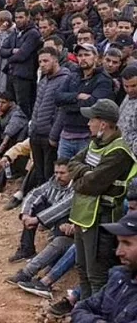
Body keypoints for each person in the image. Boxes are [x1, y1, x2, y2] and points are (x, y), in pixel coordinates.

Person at [68, 99, 137, 300]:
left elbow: (92, 184)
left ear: (103, 125)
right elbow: (73, 162)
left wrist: (79, 180)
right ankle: (83, 311)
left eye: (92, 120)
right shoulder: (95, 143)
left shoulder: (119, 152)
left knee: (96, 275)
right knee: (82, 269)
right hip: (83, 214)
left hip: (101, 218)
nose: (88, 124)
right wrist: (85, 174)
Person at [6, 159, 74, 278]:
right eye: (56, 172)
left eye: (62, 173)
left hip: (67, 221)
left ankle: (52, 263)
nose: (58, 176)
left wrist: (37, 219)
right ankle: (26, 249)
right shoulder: (53, 182)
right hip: (50, 217)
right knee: (35, 206)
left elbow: (63, 207)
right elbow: (35, 193)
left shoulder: (76, 187)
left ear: (72, 172)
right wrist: (25, 214)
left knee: (61, 226)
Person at [71, 211, 137, 322]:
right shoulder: (119, 277)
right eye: (118, 243)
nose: (118, 252)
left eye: (127, 243)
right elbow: (80, 308)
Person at [31, 47, 71, 187]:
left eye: (45, 61)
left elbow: (61, 110)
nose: (42, 64)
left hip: (49, 136)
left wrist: (53, 134)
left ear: (55, 60)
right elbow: (37, 105)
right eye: (40, 61)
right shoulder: (43, 80)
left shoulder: (65, 79)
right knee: (39, 173)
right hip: (36, 133)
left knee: (50, 174)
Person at [0, 6, 42, 117]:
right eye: (16, 17)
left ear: (28, 17)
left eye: (21, 17)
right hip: (11, 73)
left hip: (25, 75)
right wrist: (13, 51)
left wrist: (10, 57)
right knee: (10, 104)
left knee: (23, 106)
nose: (18, 20)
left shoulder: (33, 33)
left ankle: (24, 131)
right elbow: (2, 51)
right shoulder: (14, 32)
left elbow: (22, 55)